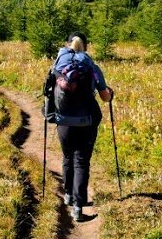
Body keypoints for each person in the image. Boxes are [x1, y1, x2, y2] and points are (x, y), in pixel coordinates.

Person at [43, 32, 113, 222]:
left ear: (67, 45)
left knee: (67, 157)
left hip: (63, 121)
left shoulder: (57, 66)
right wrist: (111, 93)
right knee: (81, 161)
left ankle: (68, 194)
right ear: (86, 47)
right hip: (86, 121)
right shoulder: (92, 67)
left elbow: (48, 91)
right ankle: (77, 207)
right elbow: (105, 97)